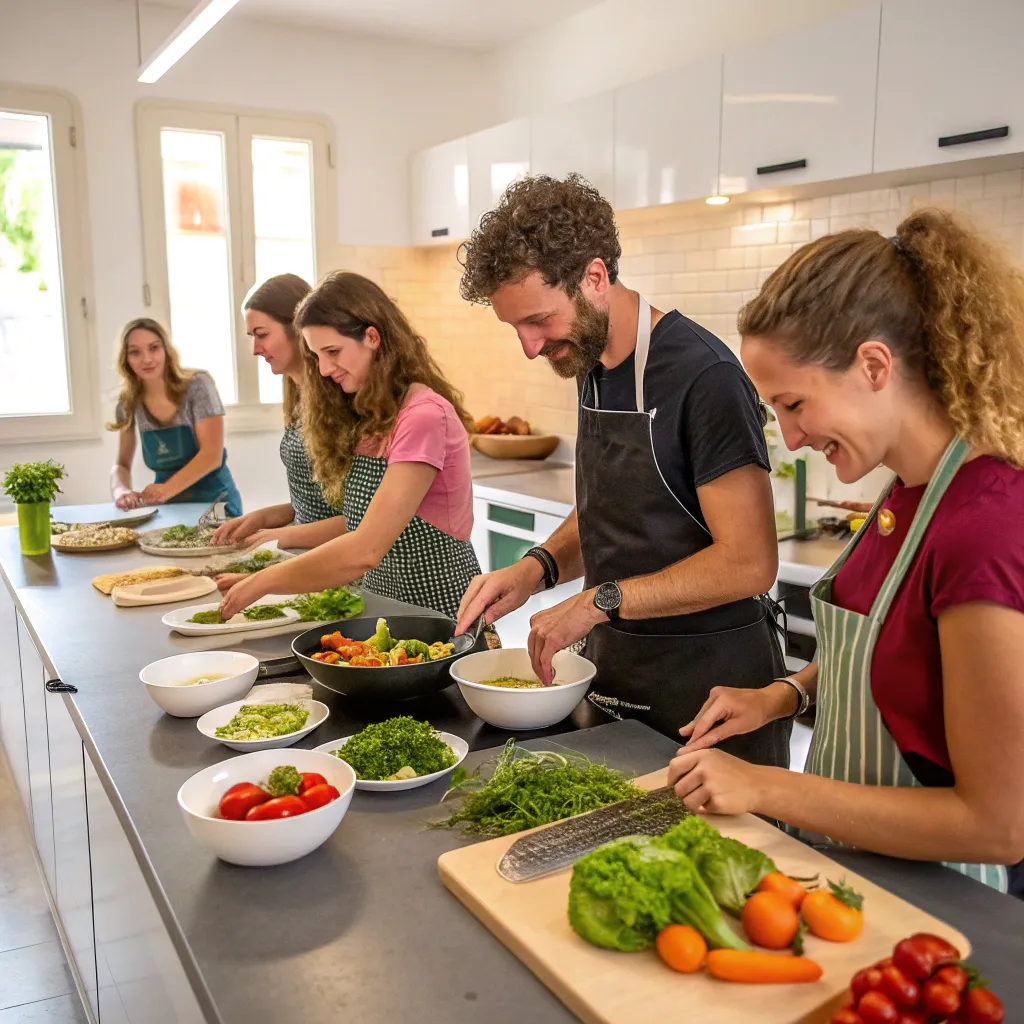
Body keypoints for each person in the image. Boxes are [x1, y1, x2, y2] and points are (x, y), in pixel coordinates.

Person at [669, 208, 1024, 893]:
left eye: (795, 403)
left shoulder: (984, 524)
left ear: (873, 364)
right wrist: (780, 697)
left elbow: (997, 822)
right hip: (859, 878)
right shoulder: (906, 495)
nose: (791, 437)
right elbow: (888, 660)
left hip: (941, 907)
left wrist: (763, 787)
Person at [455, 174, 790, 766]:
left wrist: (597, 600)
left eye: (538, 320)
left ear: (594, 278)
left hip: (709, 691)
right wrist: (538, 568)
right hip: (615, 672)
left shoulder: (704, 377)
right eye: (516, 329)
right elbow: (618, 508)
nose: (530, 347)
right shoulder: (590, 362)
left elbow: (751, 563)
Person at [218, 271, 481, 622]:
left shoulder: (424, 416)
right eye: (316, 356)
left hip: (440, 618)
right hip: (385, 615)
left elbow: (365, 549)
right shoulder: (372, 415)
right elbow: (355, 524)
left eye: (332, 352)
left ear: (372, 337)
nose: (325, 369)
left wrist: (265, 581)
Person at [211, 274, 340, 564]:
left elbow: (360, 521)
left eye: (262, 334)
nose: (256, 349)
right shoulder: (298, 396)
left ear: (297, 328)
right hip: (305, 558)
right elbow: (315, 503)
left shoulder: (340, 402)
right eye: (251, 337)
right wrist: (262, 517)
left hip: (335, 564)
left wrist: (281, 535)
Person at [108, 318, 242, 517]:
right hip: (169, 509)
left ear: (166, 350)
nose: (147, 359)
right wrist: (122, 491)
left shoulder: (198, 385)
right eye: (135, 352)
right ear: (125, 359)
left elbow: (211, 456)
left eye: (154, 348)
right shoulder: (128, 401)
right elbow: (121, 465)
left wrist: (165, 490)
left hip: (217, 504)